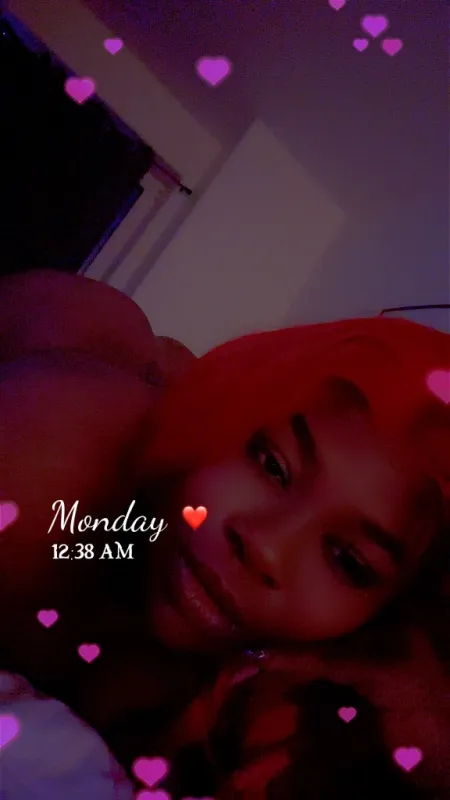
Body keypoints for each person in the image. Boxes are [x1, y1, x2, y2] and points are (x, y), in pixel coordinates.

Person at [0, 270, 449, 798]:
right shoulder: (60, 458)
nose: (265, 546)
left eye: (348, 560)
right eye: (272, 464)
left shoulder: (314, 714)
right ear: (226, 413)